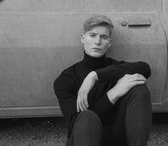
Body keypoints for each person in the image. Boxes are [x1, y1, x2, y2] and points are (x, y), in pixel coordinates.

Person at [54, 14, 152, 146]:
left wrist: (95, 75)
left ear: (109, 43)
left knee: (138, 87)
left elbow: (145, 68)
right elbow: (74, 123)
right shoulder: (66, 78)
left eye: (104, 37)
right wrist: (114, 93)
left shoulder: (115, 69)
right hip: (84, 139)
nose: (97, 42)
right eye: (92, 35)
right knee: (86, 116)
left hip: (117, 138)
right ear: (83, 38)